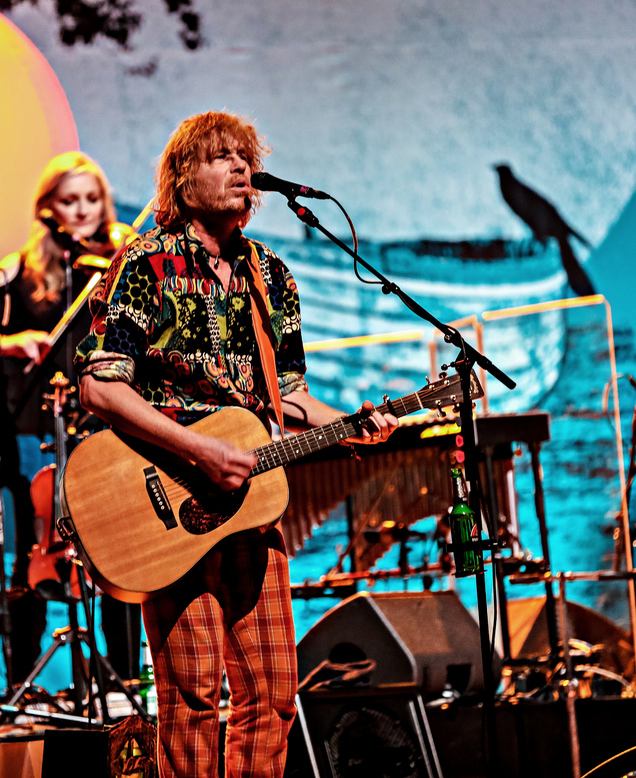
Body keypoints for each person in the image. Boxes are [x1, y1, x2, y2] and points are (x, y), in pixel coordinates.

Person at [74, 111, 397, 778]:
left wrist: (355, 422)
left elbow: (292, 396)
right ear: (183, 178)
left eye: (245, 157)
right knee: (192, 695)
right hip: (170, 498)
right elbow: (101, 388)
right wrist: (197, 450)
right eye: (221, 157)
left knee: (274, 694)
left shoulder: (270, 275)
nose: (241, 168)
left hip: (250, 502)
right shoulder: (145, 263)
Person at [0, 151, 141, 686]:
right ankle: (21, 680)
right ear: (48, 208)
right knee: (31, 552)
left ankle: (126, 678)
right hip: (36, 431)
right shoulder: (21, 269)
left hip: (107, 427)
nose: (83, 211)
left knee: (119, 553)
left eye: (92, 199)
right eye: (69, 200)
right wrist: (14, 341)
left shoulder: (120, 258)